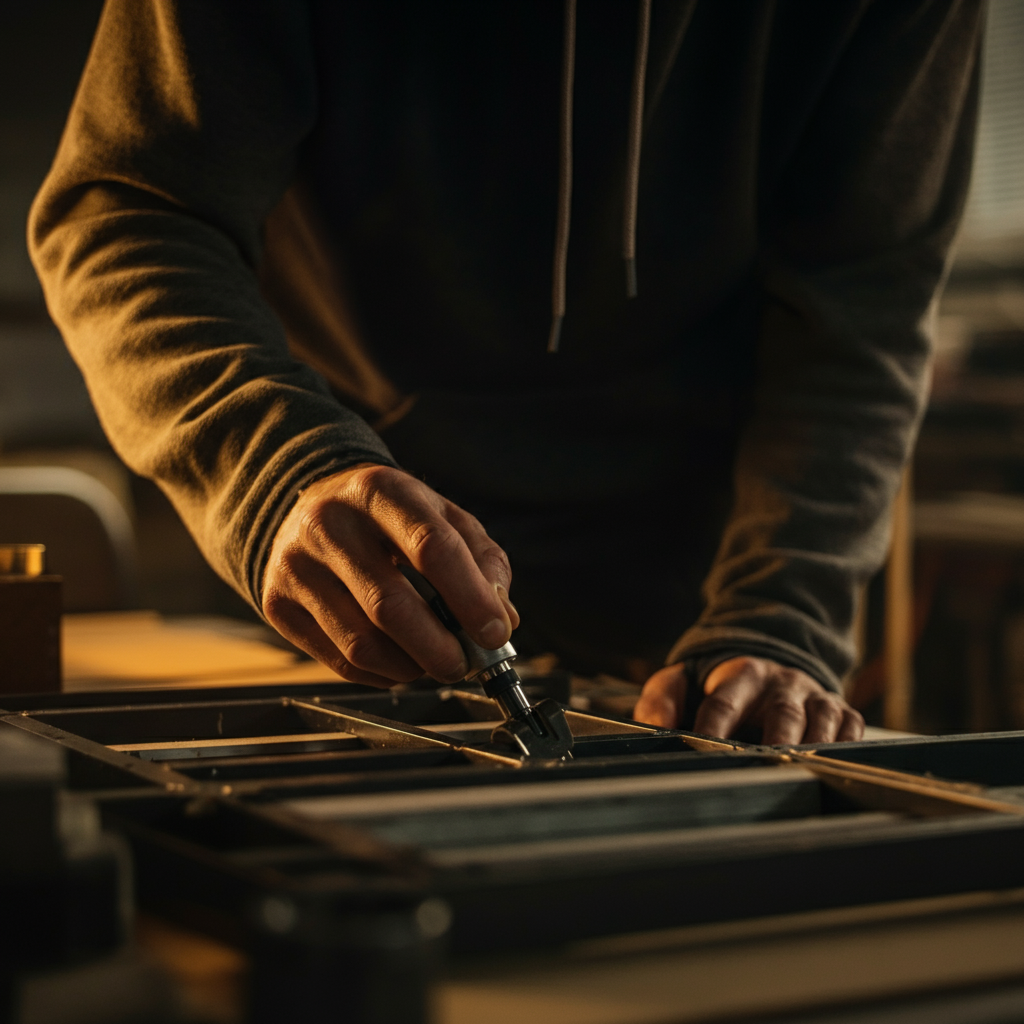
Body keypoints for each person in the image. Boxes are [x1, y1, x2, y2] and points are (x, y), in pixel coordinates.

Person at [30, 0, 983, 743]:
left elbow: (859, 308)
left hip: (697, 602)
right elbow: (128, 213)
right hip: (333, 568)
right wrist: (274, 472)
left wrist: (782, 613)